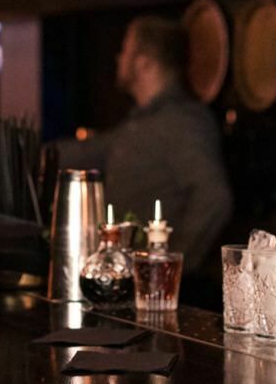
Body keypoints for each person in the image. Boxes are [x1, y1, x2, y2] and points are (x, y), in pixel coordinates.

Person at [55, 15, 232, 268]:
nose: (118, 58)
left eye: (124, 51)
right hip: (127, 280)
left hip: (158, 290)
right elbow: (94, 150)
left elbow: (215, 197)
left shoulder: (183, 120)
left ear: (144, 63)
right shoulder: (142, 122)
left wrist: (174, 263)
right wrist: (29, 154)